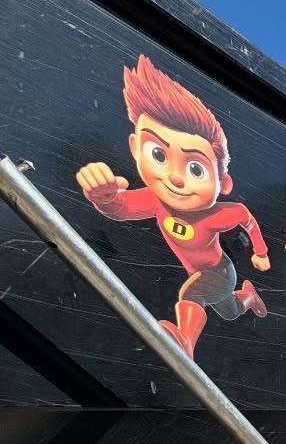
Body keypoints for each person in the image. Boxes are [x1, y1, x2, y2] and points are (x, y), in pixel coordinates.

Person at [75, 54, 269, 357]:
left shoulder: (216, 214)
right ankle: (248, 297)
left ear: (223, 183)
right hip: (205, 275)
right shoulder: (156, 199)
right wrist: (103, 195)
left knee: (191, 294)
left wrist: (261, 252)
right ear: (136, 149)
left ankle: (185, 343)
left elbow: (246, 218)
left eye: (195, 168)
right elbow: (121, 208)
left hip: (219, 271)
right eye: (159, 155)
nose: (175, 177)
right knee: (230, 311)